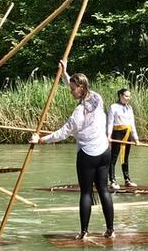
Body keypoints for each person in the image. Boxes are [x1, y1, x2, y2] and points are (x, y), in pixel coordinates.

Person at [31, 62, 113, 239]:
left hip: (88, 155)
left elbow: (61, 134)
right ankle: (110, 230)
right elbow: (77, 87)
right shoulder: (97, 98)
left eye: (73, 89)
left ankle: (84, 232)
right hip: (105, 151)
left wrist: (40, 140)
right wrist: (65, 74)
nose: (71, 91)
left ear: (81, 88)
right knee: (103, 190)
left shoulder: (78, 113)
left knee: (85, 192)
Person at [106, 88, 140, 189]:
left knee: (125, 157)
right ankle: (112, 180)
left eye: (129, 96)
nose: (128, 98)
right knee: (114, 157)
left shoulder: (129, 108)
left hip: (128, 133)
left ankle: (127, 180)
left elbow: (132, 123)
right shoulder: (113, 107)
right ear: (120, 95)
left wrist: (136, 138)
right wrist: (108, 136)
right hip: (117, 133)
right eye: (126, 96)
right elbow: (110, 122)